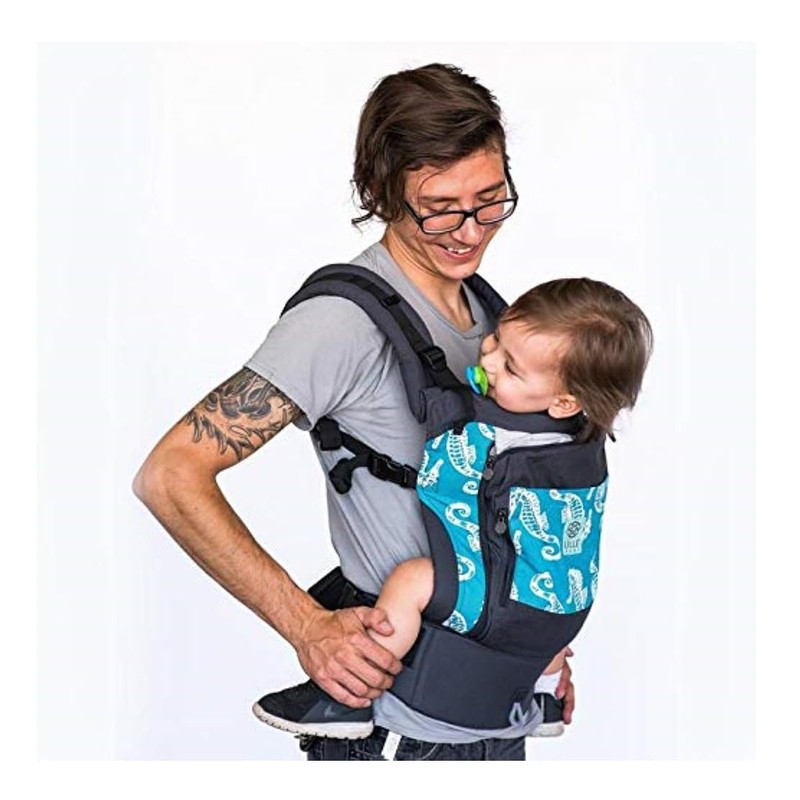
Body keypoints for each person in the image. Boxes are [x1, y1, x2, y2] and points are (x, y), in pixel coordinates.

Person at [133, 62, 580, 761]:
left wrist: (534, 648)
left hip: (489, 711)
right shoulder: (341, 322)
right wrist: (307, 625)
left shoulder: (497, 318)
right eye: (440, 207)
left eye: (490, 199)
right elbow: (170, 474)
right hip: (396, 722)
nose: (469, 230)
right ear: (379, 191)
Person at [250, 276, 653, 742]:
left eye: (511, 368)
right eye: (496, 339)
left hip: (503, 609)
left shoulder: (500, 435)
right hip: (564, 611)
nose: (488, 361)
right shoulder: (581, 437)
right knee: (541, 603)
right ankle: (543, 699)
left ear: (564, 401)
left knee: (411, 580)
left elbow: (450, 470)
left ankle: (349, 696)